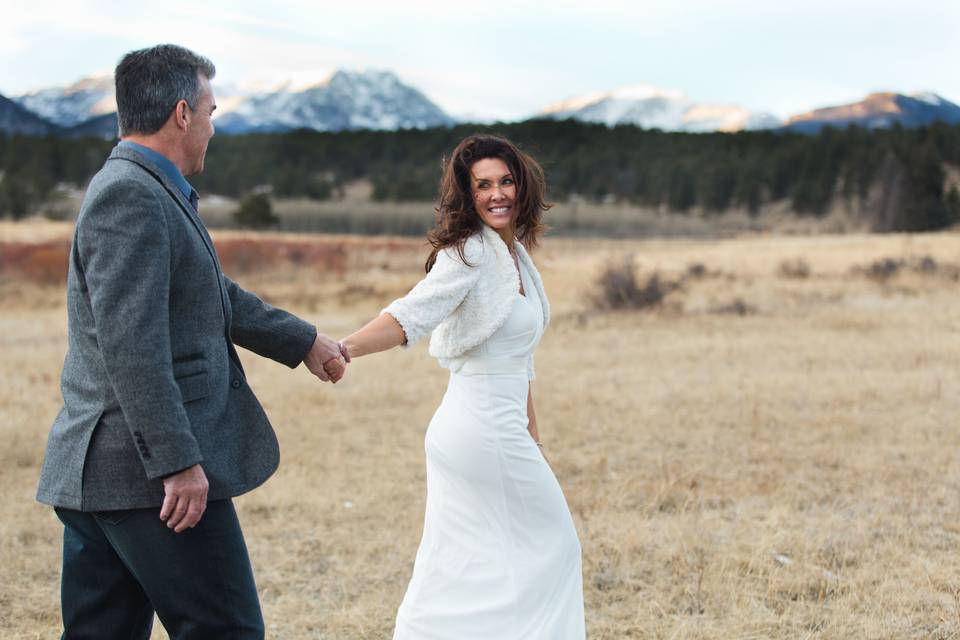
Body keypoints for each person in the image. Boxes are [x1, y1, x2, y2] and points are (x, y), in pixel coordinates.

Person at [35, 44, 347, 640]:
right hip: (146, 479)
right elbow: (133, 347)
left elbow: (211, 293)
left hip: (112, 476)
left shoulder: (149, 187)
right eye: (209, 110)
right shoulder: (132, 196)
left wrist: (303, 340)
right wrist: (178, 464)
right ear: (182, 113)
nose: (211, 125)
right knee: (226, 629)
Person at [337, 134, 585, 639]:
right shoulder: (470, 253)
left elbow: (520, 359)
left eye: (506, 181)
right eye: (483, 185)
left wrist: (532, 436)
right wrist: (343, 349)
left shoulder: (513, 255)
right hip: (479, 431)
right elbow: (410, 313)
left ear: (523, 186)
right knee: (555, 546)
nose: (497, 194)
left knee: (472, 558)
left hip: (495, 429)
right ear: (468, 195)